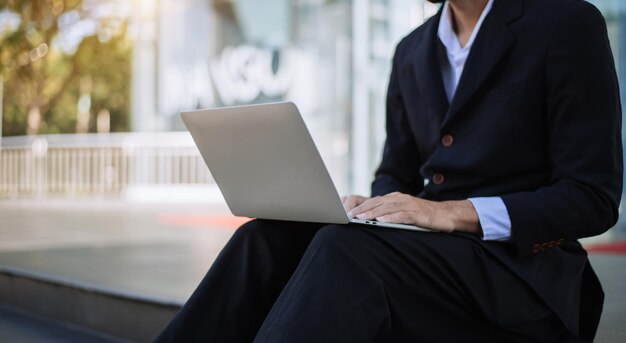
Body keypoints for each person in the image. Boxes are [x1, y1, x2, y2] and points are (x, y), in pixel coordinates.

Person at [156, 0, 622, 341]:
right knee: (265, 237)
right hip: (432, 260)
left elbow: (591, 197)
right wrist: (373, 206)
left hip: (523, 275)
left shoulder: (566, 23)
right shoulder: (411, 50)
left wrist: (454, 213)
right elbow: (395, 173)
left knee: (348, 251)